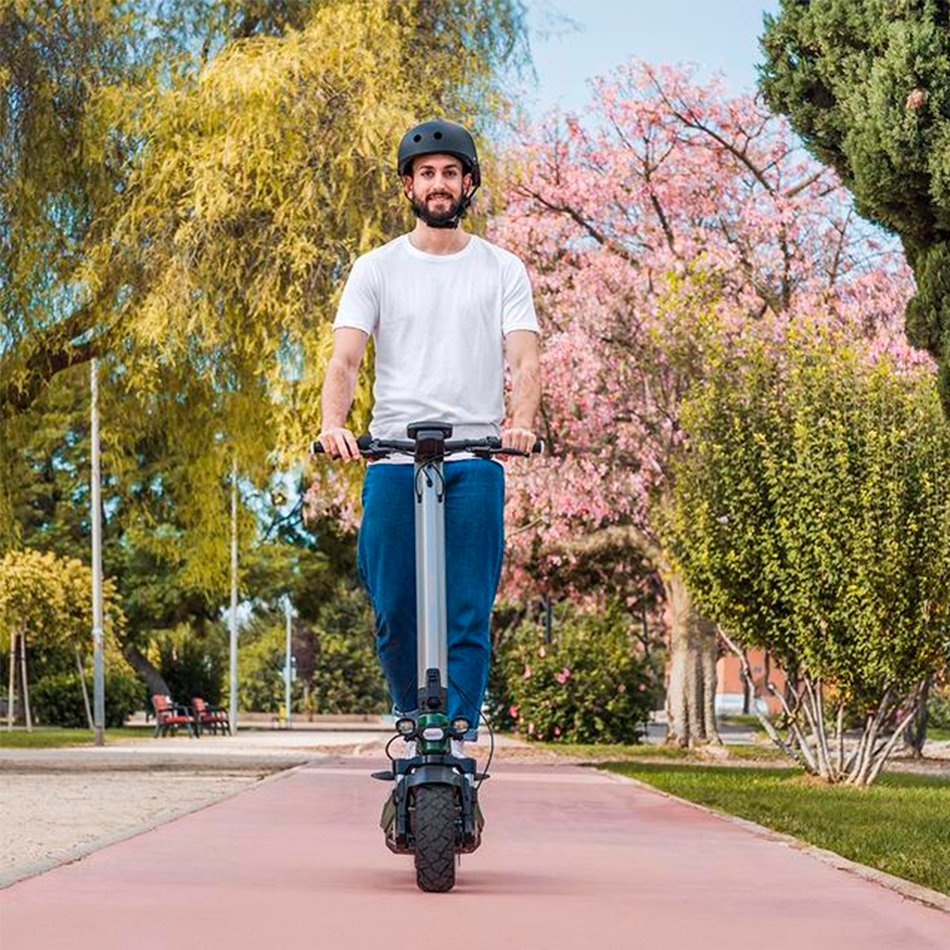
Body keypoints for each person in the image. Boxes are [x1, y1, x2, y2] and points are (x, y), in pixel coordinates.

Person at [317, 118, 541, 759]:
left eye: (450, 172)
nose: (438, 184)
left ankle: (457, 739)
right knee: (394, 610)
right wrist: (336, 425)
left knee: (467, 608)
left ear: (468, 182)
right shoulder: (376, 268)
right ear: (409, 186)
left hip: (474, 456)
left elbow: (525, 360)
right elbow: (346, 361)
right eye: (426, 173)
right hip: (392, 457)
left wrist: (519, 422)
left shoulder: (501, 269)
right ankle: (414, 724)